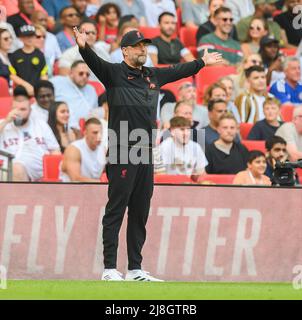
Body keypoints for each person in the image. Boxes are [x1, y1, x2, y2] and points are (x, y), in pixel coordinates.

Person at [74, 26, 222, 281]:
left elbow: (177, 71)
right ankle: (109, 269)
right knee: (116, 210)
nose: (143, 48)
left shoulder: (152, 75)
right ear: (125, 50)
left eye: (145, 45)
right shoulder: (112, 73)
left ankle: (134, 269)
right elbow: (93, 60)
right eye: (138, 45)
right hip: (122, 149)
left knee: (140, 210)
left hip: (146, 152)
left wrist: (201, 63)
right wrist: (83, 46)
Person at [0, 85, 61, 181]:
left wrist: (52, 175)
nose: (19, 112)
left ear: (30, 110)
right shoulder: (3, 124)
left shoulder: (40, 125)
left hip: (38, 173)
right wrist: (6, 121)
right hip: (6, 171)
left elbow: (55, 151)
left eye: (23, 109)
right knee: (16, 169)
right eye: (16, 109)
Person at [50, 60, 98, 130]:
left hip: (88, 127)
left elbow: (95, 110)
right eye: (81, 73)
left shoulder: (91, 89)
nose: (84, 76)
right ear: (71, 73)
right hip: (64, 126)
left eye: (87, 74)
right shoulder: (56, 82)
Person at [159, 116, 207, 181]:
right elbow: (160, 176)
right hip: (170, 187)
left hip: (189, 187)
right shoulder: (164, 147)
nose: (186, 133)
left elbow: (201, 174)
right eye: (182, 129)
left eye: (188, 129)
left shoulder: (196, 147)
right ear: (172, 132)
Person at [60, 117, 106, 182]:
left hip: (93, 189)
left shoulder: (103, 149)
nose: (99, 136)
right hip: (69, 190)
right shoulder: (74, 149)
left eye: (101, 133)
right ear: (85, 133)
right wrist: (101, 183)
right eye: (95, 133)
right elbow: (75, 179)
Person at [9, 25, 48, 96]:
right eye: (26, 36)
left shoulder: (40, 54)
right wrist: (26, 85)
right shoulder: (15, 55)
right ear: (20, 38)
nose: (29, 39)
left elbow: (44, 74)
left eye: (32, 36)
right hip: (20, 90)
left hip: (37, 90)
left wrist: (41, 87)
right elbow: (12, 75)